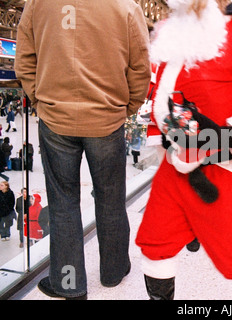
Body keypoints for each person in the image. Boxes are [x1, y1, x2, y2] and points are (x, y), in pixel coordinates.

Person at [135, 0, 232, 300]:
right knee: (155, 241)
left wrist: (223, 141)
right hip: (175, 165)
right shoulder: (176, 29)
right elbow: (165, 93)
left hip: (225, 173)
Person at [15, 0, 151, 300]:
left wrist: (40, 100)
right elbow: (141, 66)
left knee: (63, 203)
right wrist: (127, 107)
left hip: (56, 119)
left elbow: (24, 59)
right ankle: (114, 272)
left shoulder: (38, 3)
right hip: (107, 119)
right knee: (111, 198)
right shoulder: (126, 6)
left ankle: (69, 284)